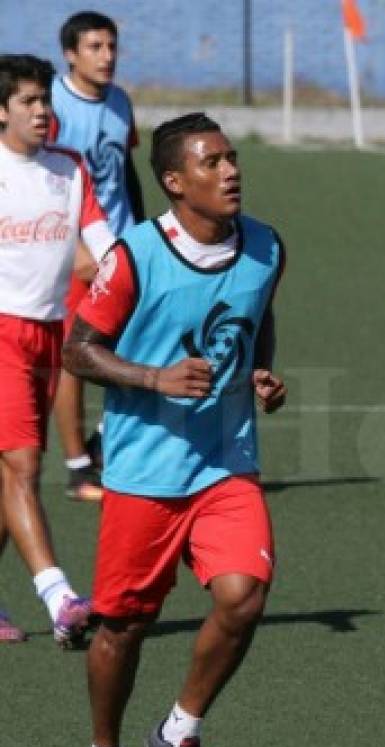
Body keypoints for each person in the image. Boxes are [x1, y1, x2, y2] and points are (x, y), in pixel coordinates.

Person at [63, 112, 287, 747]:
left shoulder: (265, 245)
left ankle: (180, 731)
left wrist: (259, 369)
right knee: (122, 630)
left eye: (232, 157)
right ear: (173, 181)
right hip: (145, 475)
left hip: (225, 463)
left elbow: (257, 313)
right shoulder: (135, 257)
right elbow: (79, 351)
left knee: (244, 596)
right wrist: (153, 378)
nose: (230, 171)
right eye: (212, 162)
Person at [0, 54, 114, 647]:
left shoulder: (70, 170)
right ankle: (60, 597)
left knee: (10, 474)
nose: (44, 110)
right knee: (22, 466)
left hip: (47, 332)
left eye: (45, 99)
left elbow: (106, 248)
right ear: (1, 112)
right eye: (28, 101)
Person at [50, 9, 145, 501]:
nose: (107, 56)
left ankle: (105, 444)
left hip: (123, 247)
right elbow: (43, 181)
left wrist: (145, 234)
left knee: (144, 347)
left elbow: (124, 173)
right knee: (76, 358)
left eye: (111, 46)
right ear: (70, 54)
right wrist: (76, 248)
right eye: (94, 47)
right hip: (76, 253)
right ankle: (78, 469)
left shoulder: (121, 102)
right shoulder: (51, 106)